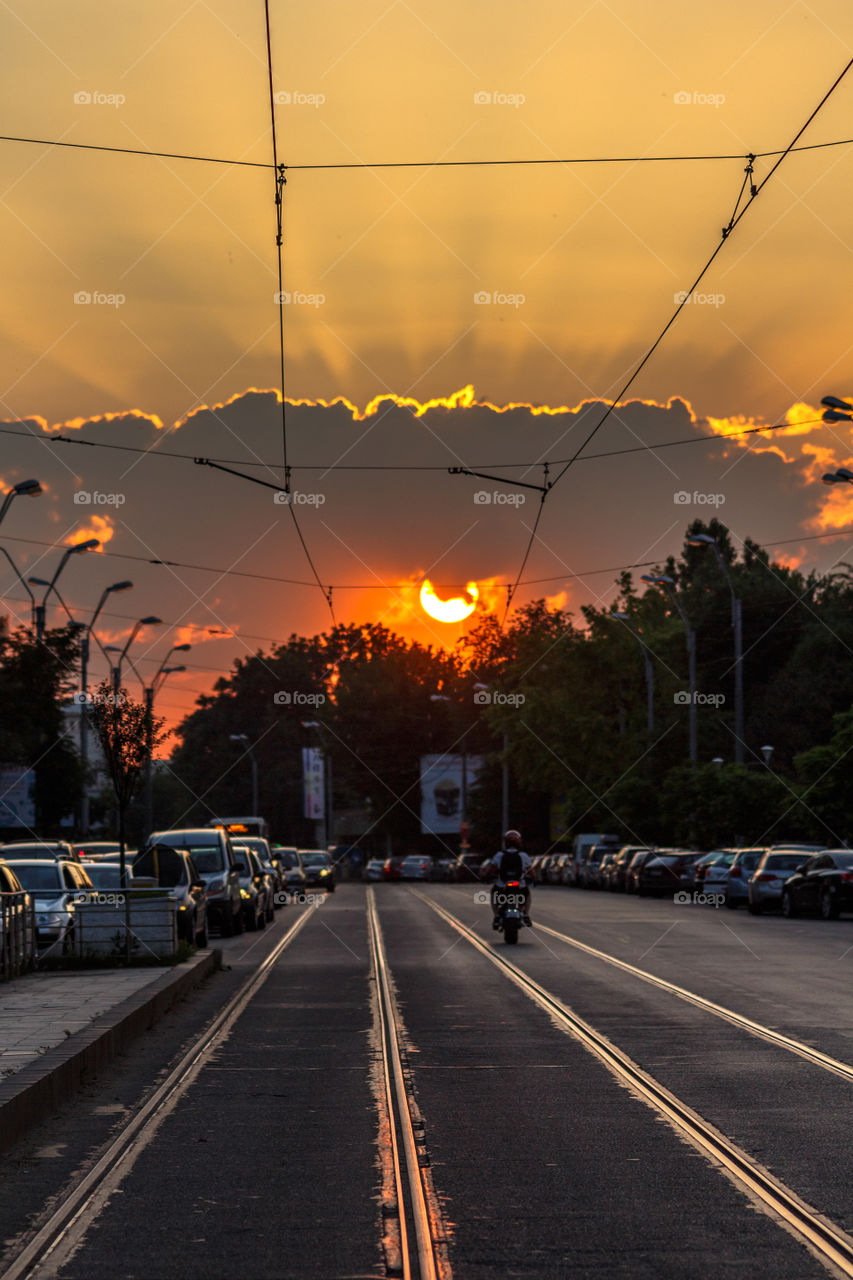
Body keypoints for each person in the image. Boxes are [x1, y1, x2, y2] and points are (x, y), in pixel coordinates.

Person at [490, 829, 533, 929]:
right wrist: (533, 878)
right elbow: (531, 872)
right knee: (527, 895)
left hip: (502, 885)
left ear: (505, 842)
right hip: (520, 886)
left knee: (493, 896)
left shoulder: (499, 855)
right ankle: (526, 914)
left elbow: (491, 870)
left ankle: (496, 916)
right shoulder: (524, 856)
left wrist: (489, 876)